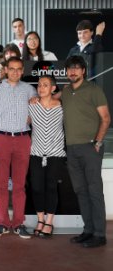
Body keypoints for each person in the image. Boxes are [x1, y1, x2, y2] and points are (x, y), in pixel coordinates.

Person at [0, 57, 36, 238]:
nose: (15, 72)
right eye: (11, 69)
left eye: (19, 69)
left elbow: (36, 113)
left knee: (20, 185)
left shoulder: (30, 90)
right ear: (5, 70)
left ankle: (19, 223)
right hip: (1, 139)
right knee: (1, 184)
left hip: (22, 139)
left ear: (22, 71)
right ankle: (3, 223)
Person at [63, 56, 110, 248]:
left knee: (94, 191)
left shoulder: (94, 90)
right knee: (81, 191)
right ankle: (88, 230)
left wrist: (97, 142)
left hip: (90, 148)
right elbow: (51, 97)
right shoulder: (66, 91)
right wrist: (37, 97)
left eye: (76, 68)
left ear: (83, 71)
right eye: (69, 69)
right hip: (72, 149)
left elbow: (106, 118)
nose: (72, 72)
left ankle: (100, 234)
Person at [27, 75, 65, 238]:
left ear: (53, 88)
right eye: (39, 85)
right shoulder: (32, 105)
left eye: (45, 85)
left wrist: (59, 95)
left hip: (56, 154)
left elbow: (68, 91)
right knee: (36, 187)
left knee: (51, 187)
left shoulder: (62, 106)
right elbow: (26, 123)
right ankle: (40, 220)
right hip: (35, 153)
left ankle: (49, 222)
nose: (41, 88)